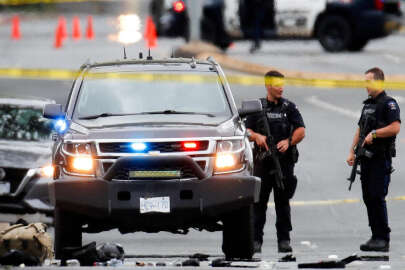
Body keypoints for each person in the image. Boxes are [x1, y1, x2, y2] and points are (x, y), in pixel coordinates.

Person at [245, 70, 305, 253]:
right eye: (277, 85)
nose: (281, 88)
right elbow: (245, 131)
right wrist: (257, 137)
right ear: (268, 85)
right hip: (262, 163)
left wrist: (289, 141)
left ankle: (284, 240)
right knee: (258, 204)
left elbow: (301, 130)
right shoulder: (257, 107)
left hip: (283, 163)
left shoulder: (289, 107)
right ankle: (255, 241)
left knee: (283, 203)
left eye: (282, 84)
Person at [346, 67, 401, 252]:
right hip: (366, 159)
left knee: (377, 197)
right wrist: (352, 151)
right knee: (368, 197)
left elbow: (395, 127)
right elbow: (360, 129)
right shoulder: (368, 105)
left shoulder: (389, 103)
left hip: (380, 158)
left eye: (369, 81)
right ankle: (375, 235)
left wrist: (375, 134)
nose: (366, 85)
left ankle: (382, 238)